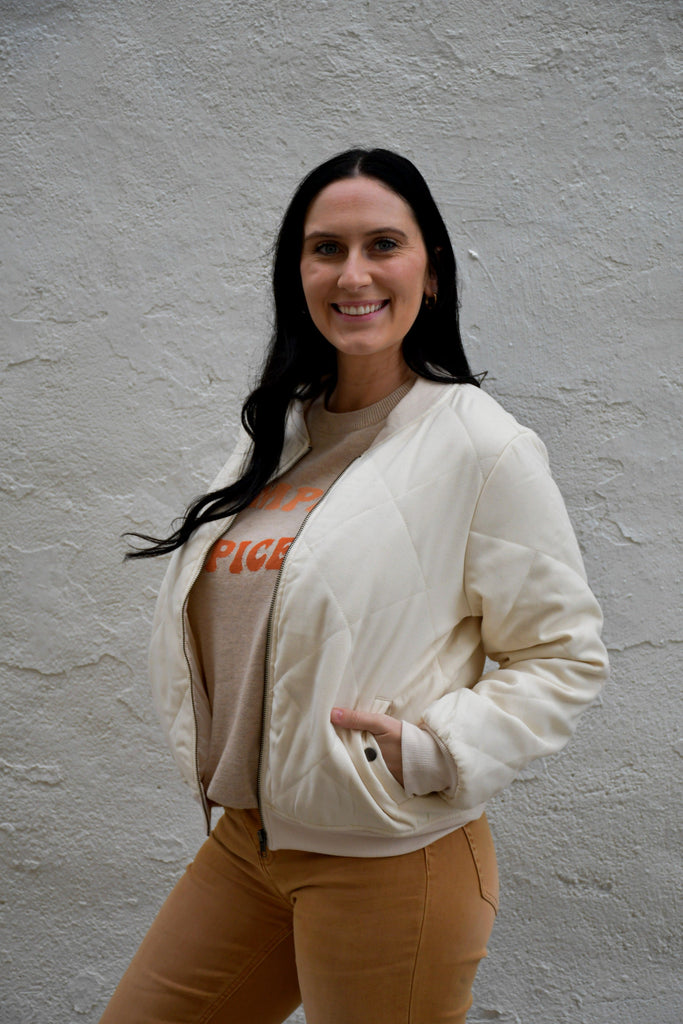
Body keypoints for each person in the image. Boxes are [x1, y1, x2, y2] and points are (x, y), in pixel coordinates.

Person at [101, 148, 608, 1024]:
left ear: (431, 271)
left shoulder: (480, 446)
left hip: (389, 858)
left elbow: (564, 656)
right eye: (325, 249)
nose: (353, 274)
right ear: (296, 273)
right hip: (249, 844)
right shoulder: (281, 431)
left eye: (383, 244)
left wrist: (433, 750)